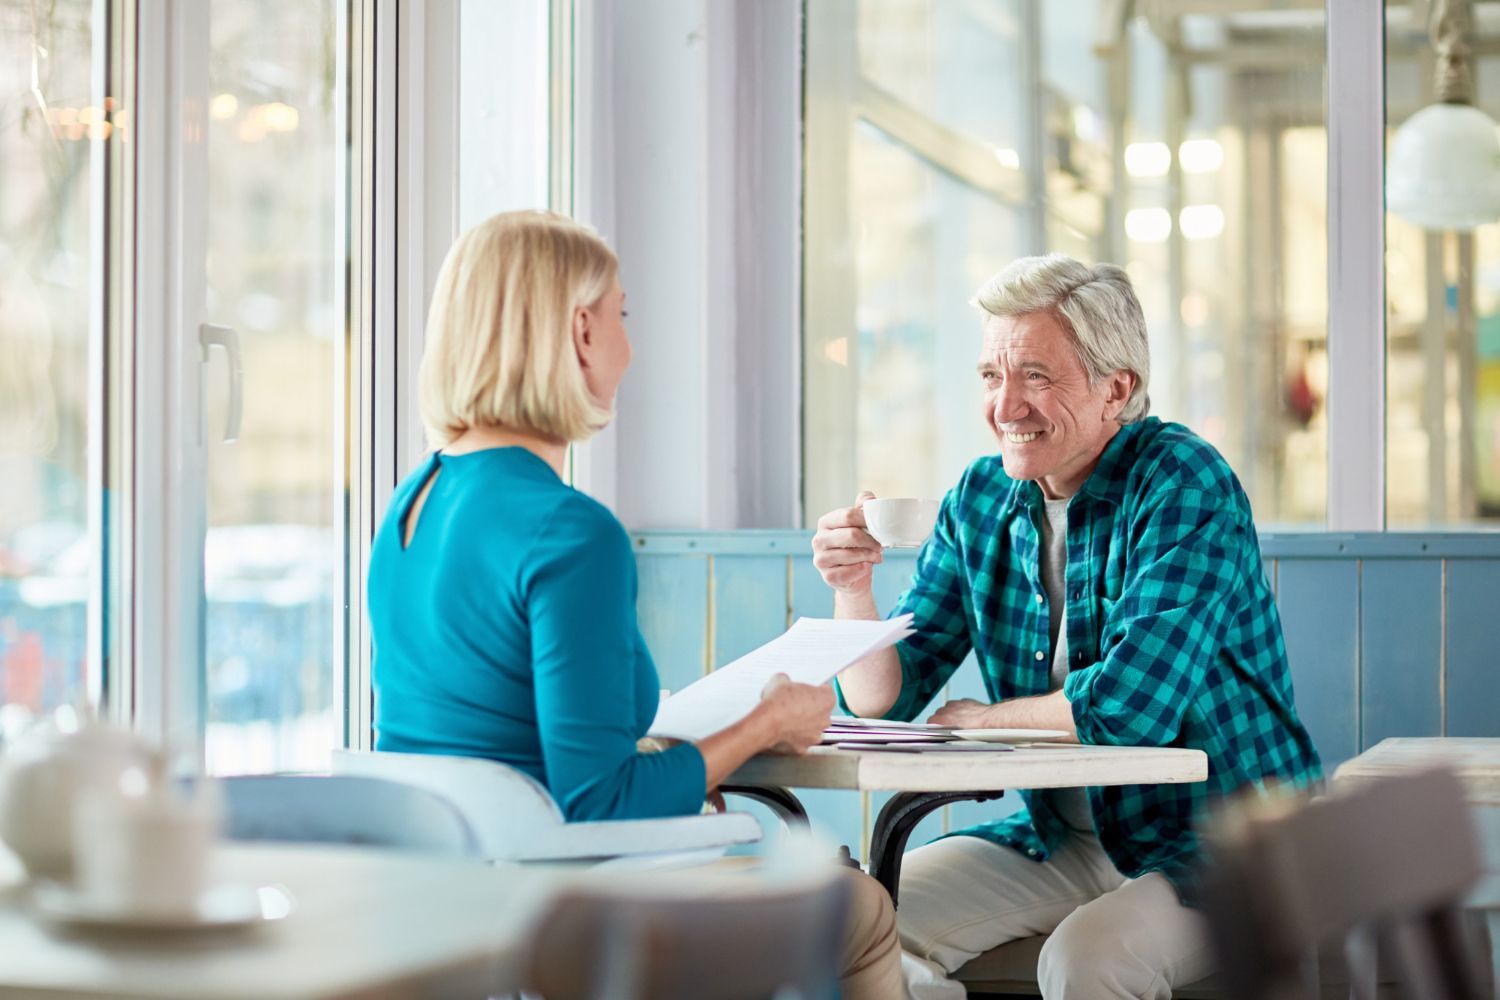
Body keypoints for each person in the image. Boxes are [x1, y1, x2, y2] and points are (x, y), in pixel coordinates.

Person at [367, 210, 901, 998]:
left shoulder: (409, 506)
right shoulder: (569, 530)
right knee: (858, 906)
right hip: (565, 904)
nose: (629, 341)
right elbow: (597, 800)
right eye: (623, 312)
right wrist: (768, 724)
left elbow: (493, 732)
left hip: (452, 897)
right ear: (582, 332)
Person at [811, 254, 1322, 1000]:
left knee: (1087, 961)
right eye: (992, 376)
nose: (1006, 406)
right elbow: (880, 700)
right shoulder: (981, 498)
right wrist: (853, 589)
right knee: (846, 929)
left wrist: (983, 721)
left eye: (1037, 377)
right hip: (1069, 840)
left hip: (1229, 843)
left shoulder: (1182, 482)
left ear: (1117, 389)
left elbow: (1128, 708)